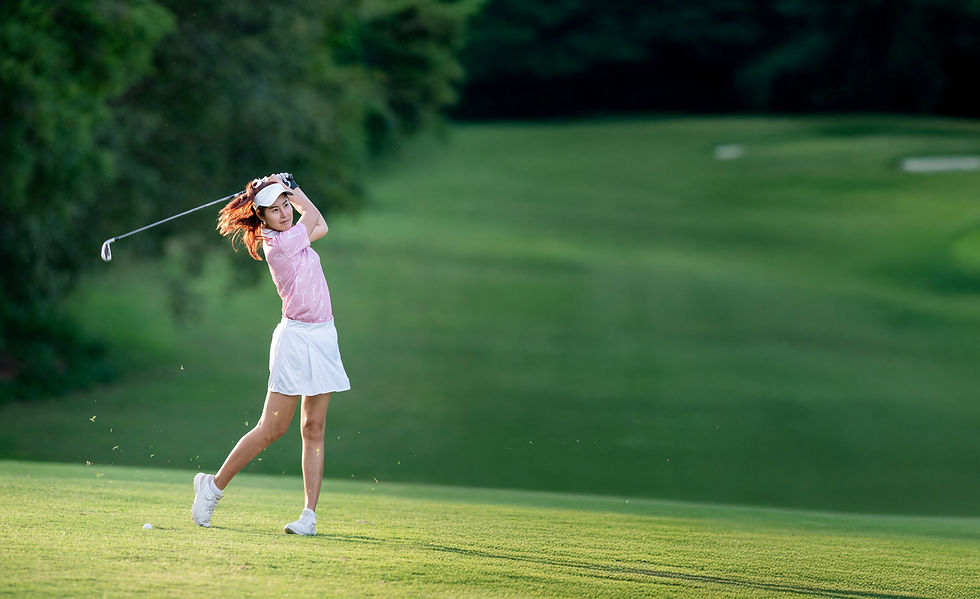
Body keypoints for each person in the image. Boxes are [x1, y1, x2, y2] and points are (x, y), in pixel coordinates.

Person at [192, 173, 351, 535]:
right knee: (272, 429)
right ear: (260, 217)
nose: (284, 214)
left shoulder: (294, 234)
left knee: (314, 427)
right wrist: (291, 187)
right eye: (274, 211)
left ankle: (308, 516)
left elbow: (319, 223)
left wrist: (284, 189)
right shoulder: (276, 243)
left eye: (284, 207)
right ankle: (213, 487)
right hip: (295, 340)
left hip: (323, 336)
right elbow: (311, 216)